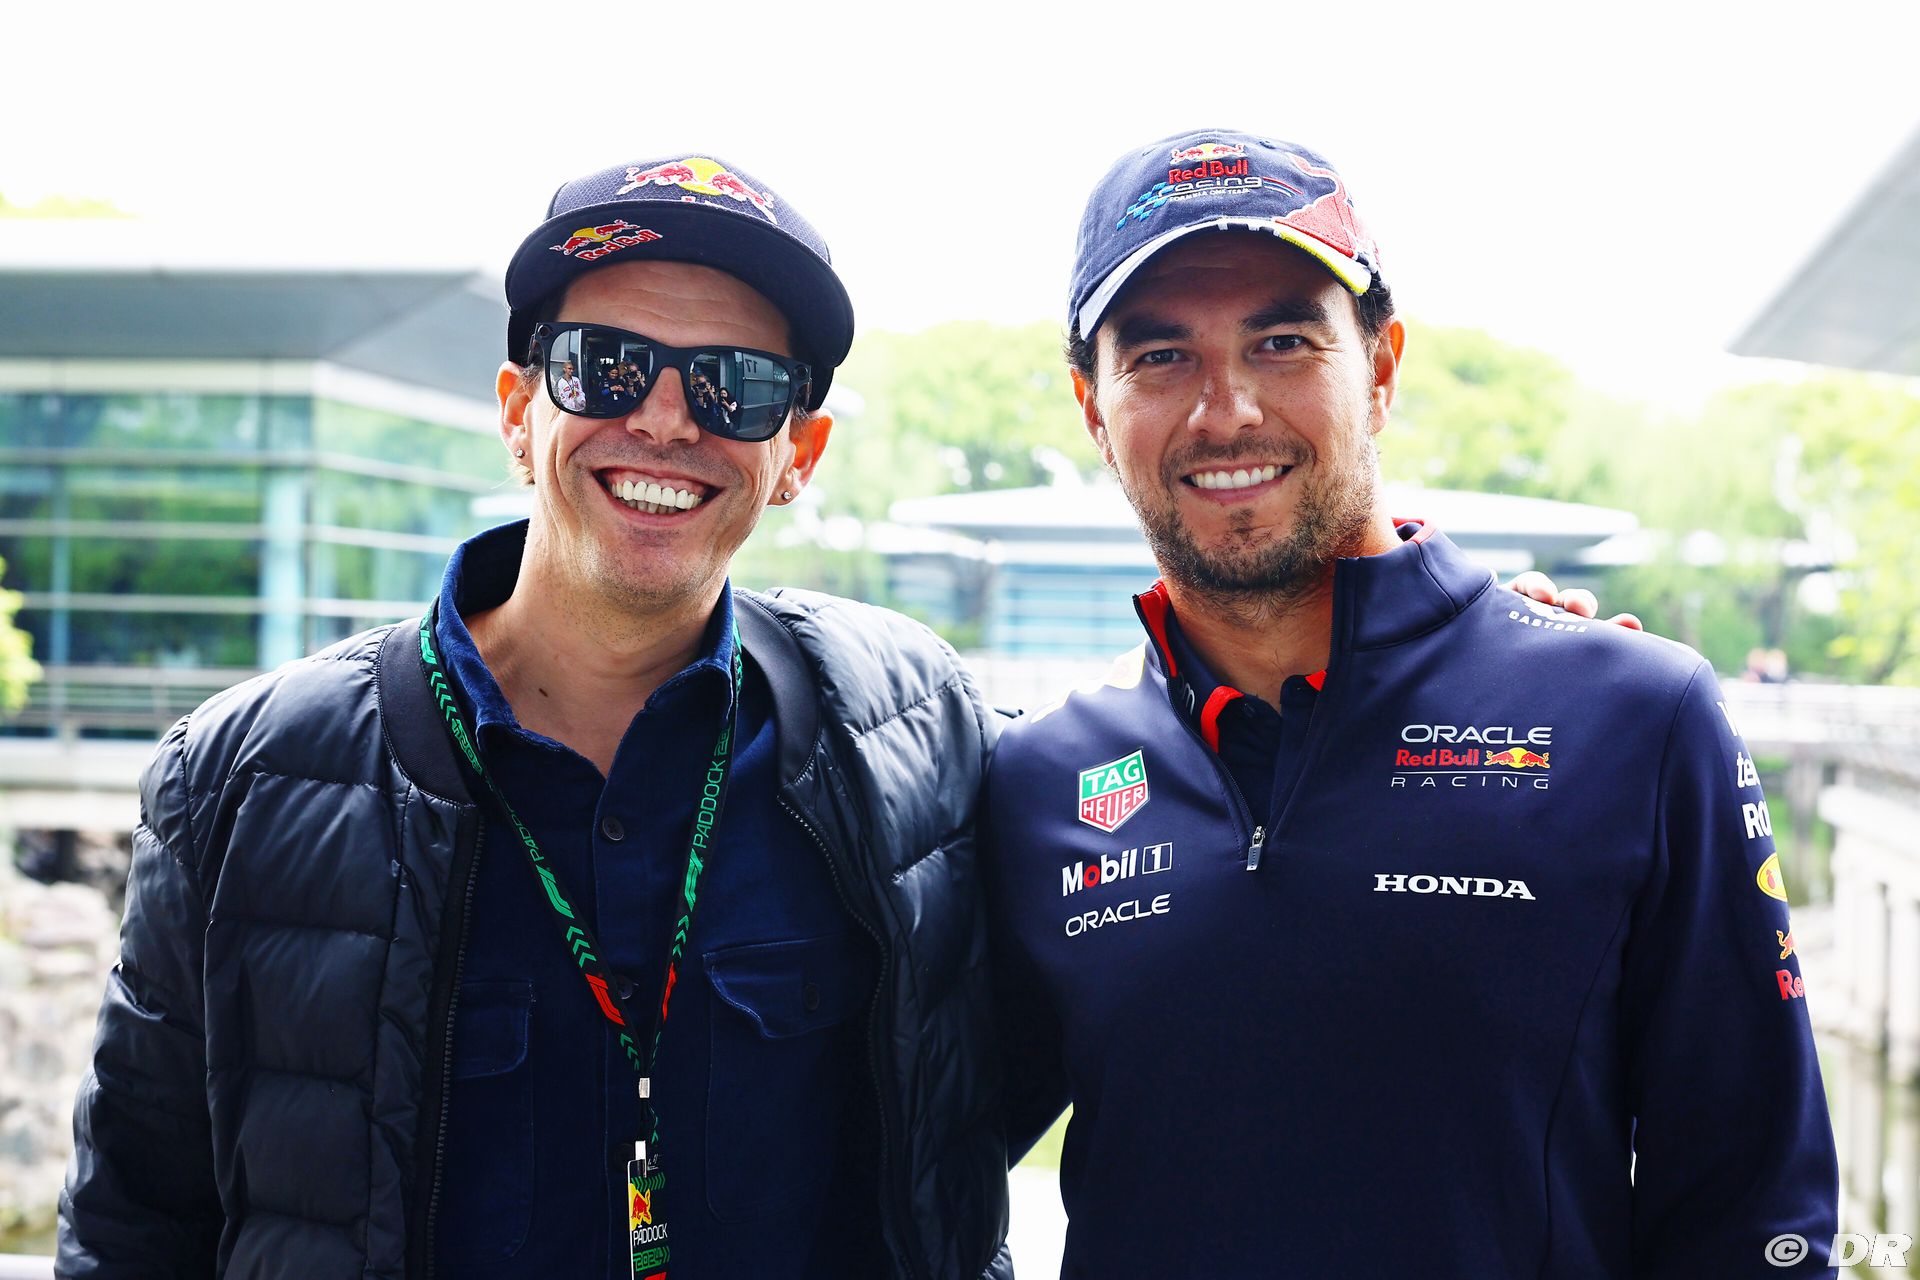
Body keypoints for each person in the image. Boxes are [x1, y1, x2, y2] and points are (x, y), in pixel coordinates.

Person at [58, 153, 1012, 1280]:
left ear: (797, 453)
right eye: (606, 365)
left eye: (737, 384)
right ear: (519, 413)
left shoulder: (912, 735)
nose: (665, 419)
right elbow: (132, 1229)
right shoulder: (240, 779)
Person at [985, 129, 1839, 1278]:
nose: (1226, 410)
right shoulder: (1037, 778)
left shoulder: (1635, 716)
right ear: (1094, 406)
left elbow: (1757, 1219)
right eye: (1161, 355)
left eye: (1282, 342)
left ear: (1381, 368)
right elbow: (901, 1162)